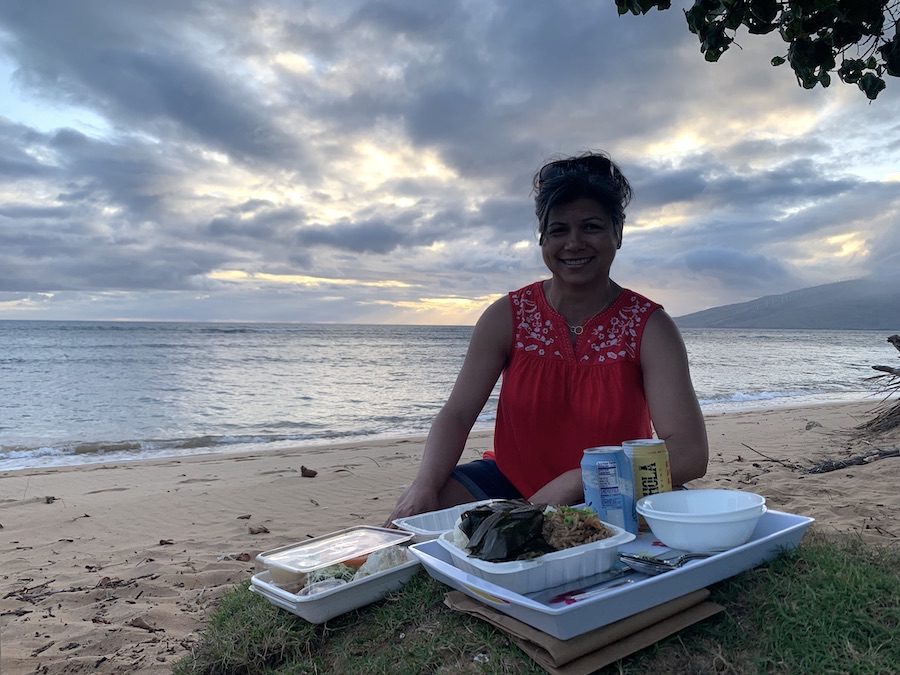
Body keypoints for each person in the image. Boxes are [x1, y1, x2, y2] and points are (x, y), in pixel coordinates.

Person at [386, 152, 708, 523]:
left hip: (612, 489)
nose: (574, 243)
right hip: (510, 483)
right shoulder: (507, 316)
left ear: (617, 234)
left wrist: (579, 480)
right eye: (558, 230)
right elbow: (457, 415)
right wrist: (423, 484)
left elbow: (688, 453)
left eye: (591, 227)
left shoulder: (650, 326)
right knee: (416, 523)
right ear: (543, 239)